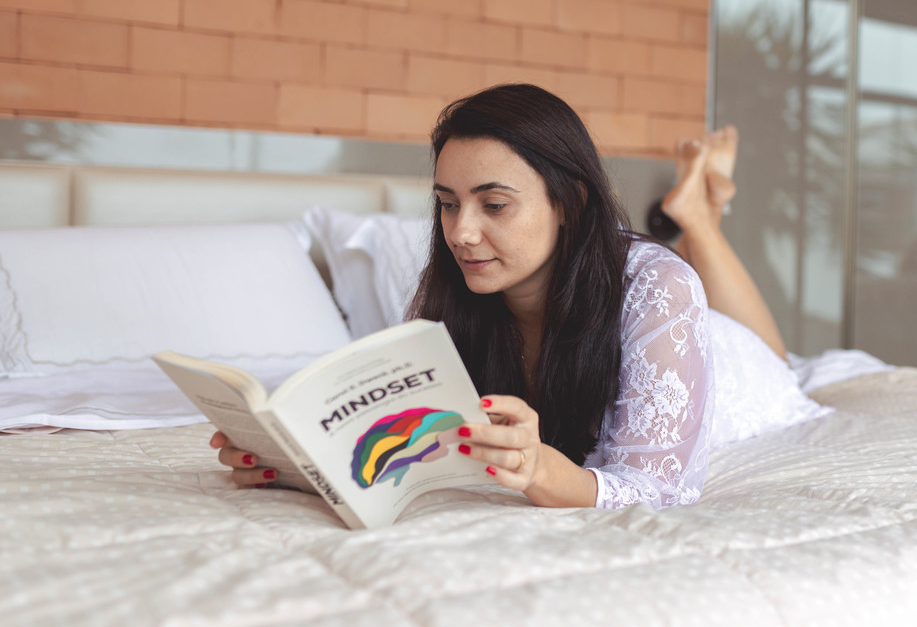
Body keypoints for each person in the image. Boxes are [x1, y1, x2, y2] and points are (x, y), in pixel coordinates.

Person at [210, 83, 799, 510]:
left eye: (494, 205)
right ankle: (700, 212)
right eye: (447, 203)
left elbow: (655, 489)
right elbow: (403, 446)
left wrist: (539, 465)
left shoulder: (656, 289)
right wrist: (289, 461)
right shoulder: (456, 295)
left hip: (730, 365)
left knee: (779, 361)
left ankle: (700, 215)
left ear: (570, 203)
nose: (462, 232)